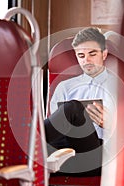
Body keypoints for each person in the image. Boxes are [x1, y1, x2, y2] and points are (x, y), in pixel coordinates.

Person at [44, 27, 117, 176]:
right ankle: (34, 151)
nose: (86, 60)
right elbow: (55, 128)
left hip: (99, 155)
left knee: (73, 108)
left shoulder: (120, 88)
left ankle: (25, 150)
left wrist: (111, 125)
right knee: (68, 112)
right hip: (64, 153)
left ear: (104, 54)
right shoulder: (64, 87)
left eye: (92, 54)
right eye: (81, 55)